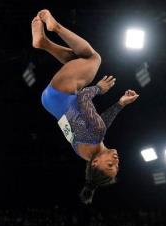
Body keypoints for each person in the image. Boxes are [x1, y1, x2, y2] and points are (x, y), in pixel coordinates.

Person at [32, 9, 140, 204]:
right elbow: (96, 123)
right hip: (52, 103)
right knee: (77, 61)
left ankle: (55, 27)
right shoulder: (86, 153)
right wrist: (119, 104)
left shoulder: (96, 135)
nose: (116, 161)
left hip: (63, 92)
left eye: (110, 165)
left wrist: (99, 88)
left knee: (93, 58)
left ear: (96, 163)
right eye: (117, 165)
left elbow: (83, 99)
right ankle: (43, 43)